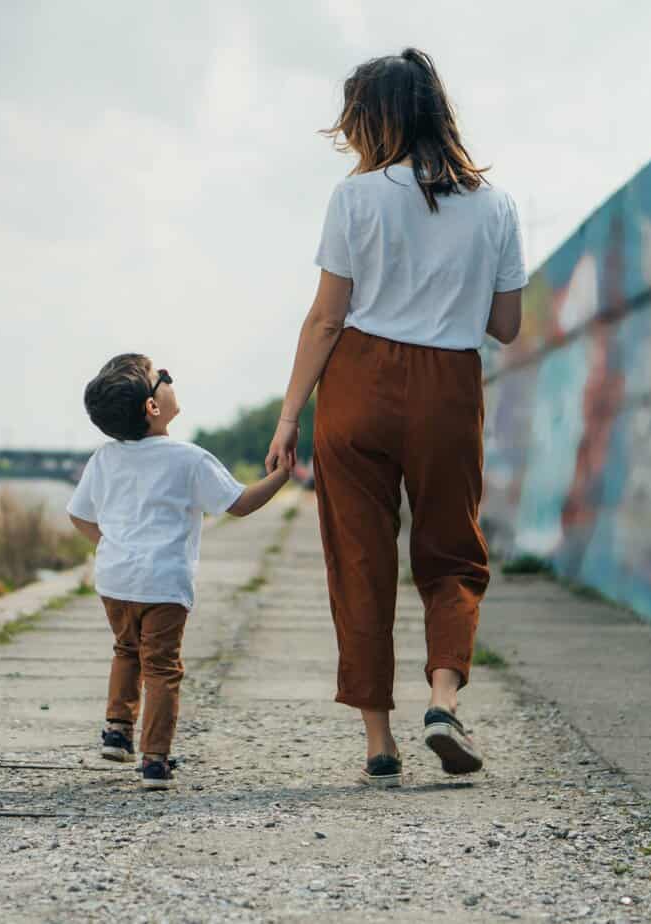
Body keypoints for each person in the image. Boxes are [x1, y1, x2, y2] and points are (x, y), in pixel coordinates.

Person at [265, 48, 528, 787]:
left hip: (357, 386)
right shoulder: (497, 204)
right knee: (452, 554)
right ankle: (444, 700)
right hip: (448, 385)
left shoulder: (355, 198)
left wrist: (290, 417)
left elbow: (326, 319)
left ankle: (379, 741)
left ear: (374, 119)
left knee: (360, 561)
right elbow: (506, 326)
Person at [68, 354, 292, 789]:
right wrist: (281, 477)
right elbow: (240, 504)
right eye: (163, 378)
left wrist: (113, 545)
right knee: (162, 668)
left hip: (114, 580)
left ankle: (117, 729)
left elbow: (79, 516)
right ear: (153, 407)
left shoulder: (103, 459)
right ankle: (155, 759)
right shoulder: (188, 459)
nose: (170, 380)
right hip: (163, 584)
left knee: (126, 650)